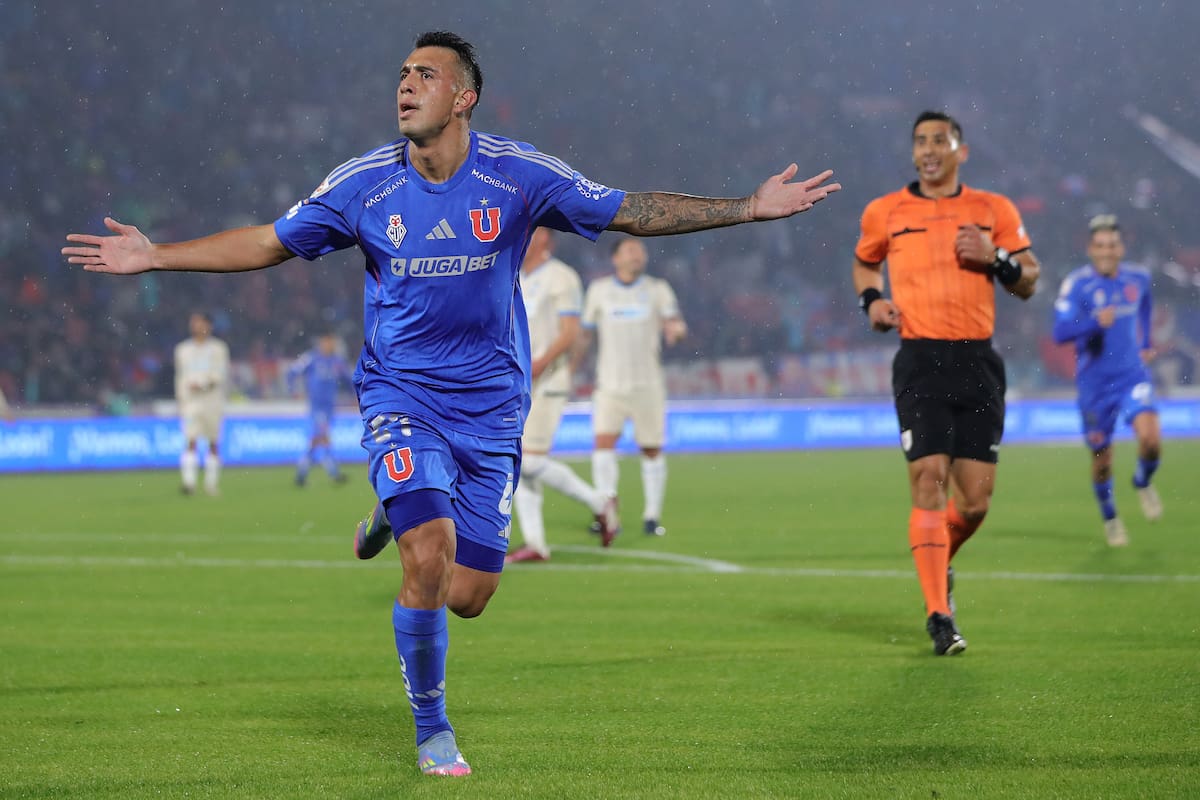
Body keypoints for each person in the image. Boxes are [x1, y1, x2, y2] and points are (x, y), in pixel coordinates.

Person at [64, 30, 840, 776]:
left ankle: (391, 503)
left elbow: (629, 208)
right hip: (401, 394)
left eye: (424, 75)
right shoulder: (362, 184)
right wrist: (156, 255)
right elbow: (268, 241)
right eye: (401, 73)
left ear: (464, 97)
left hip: (494, 408)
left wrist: (746, 207)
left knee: (468, 595)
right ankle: (433, 727)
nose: (405, 84)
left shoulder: (518, 176)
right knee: (427, 554)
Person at [851, 110, 1040, 656]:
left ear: (962, 150)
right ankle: (939, 616)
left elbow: (1029, 281)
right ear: (913, 153)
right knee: (928, 477)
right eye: (920, 142)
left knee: (975, 503)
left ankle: (940, 559)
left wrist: (997, 259)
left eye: (940, 140)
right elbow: (865, 264)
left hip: (978, 363)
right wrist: (873, 302)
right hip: (919, 359)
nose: (929, 149)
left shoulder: (992, 209)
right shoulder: (885, 211)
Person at [507, 227, 619, 563]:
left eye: (531, 232)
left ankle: (600, 502)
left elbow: (570, 332)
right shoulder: (515, 276)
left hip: (549, 379)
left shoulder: (561, 277)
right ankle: (536, 544)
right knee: (517, 460)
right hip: (518, 380)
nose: (522, 237)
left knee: (529, 459)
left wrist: (540, 363)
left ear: (545, 240)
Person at [1052, 214, 1162, 547]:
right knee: (1102, 460)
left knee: (1151, 440)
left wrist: (1146, 344)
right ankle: (1111, 518)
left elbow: (1145, 306)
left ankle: (1142, 481)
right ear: (1090, 249)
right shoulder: (1077, 284)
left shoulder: (1138, 278)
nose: (1106, 251)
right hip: (1094, 386)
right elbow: (1059, 332)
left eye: (1112, 244)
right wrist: (1093, 323)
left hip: (1131, 375)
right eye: (1099, 245)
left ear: (1121, 247)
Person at [579, 237, 687, 538]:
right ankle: (606, 511)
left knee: (651, 449)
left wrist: (676, 332)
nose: (637, 255)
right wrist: (572, 368)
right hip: (609, 384)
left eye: (640, 251)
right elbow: (585, 335)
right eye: (629, 250)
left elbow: (674, 322)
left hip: (647, 385)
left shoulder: (657, 289)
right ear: (615, 259)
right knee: (603, 446)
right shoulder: (599, 291)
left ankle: (652, 516)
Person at [173, 312, 230, 496]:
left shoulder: (219, 349)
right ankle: (189, 483)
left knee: (213, 442)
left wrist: (203, 383)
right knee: (191, 440)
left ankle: (210, 485)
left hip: (212, 400)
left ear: (209, 325)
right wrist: (181, 399)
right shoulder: (182, 350)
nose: (196, 326)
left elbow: (220, 375)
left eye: (200, 322)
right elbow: (180, 377)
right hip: (191, 402)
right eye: (194, 322)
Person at [286, 332, 353, 486]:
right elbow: (292, 372)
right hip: (317, 406)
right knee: (322, 436)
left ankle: (301, 475)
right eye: (326, 342)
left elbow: (348, 381)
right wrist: (293, 390)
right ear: (321, 343)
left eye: (331, 342)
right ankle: (334, 473)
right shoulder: (311, 358)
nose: (329, 345)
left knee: (317, 439)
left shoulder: (337, 361)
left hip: (329, 406)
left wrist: (355, 396)